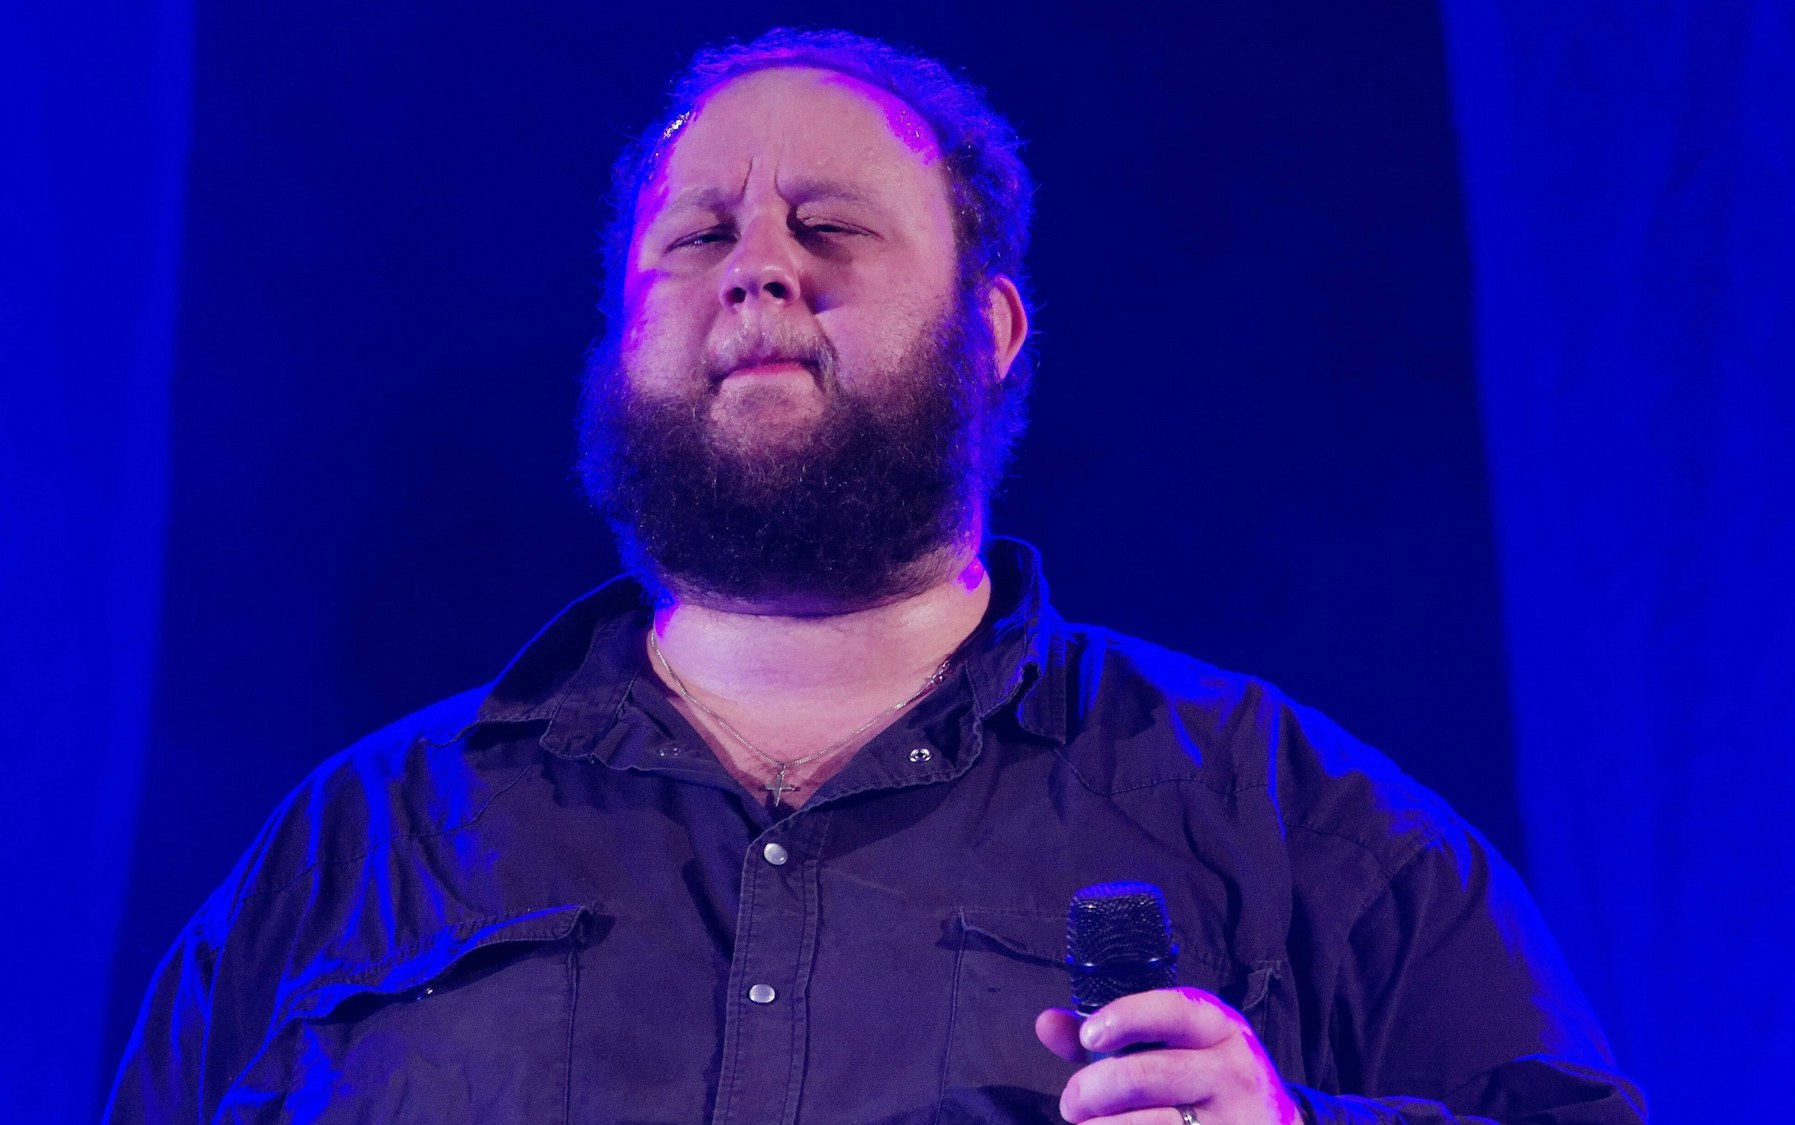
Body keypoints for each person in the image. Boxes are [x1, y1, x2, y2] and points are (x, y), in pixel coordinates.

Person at [105, 28, 1647, 1125]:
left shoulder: (1291, 819)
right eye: (698, 236)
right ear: (623, 335)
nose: (759, 269)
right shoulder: (356, 849)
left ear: (993, 331)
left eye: (830, 227)